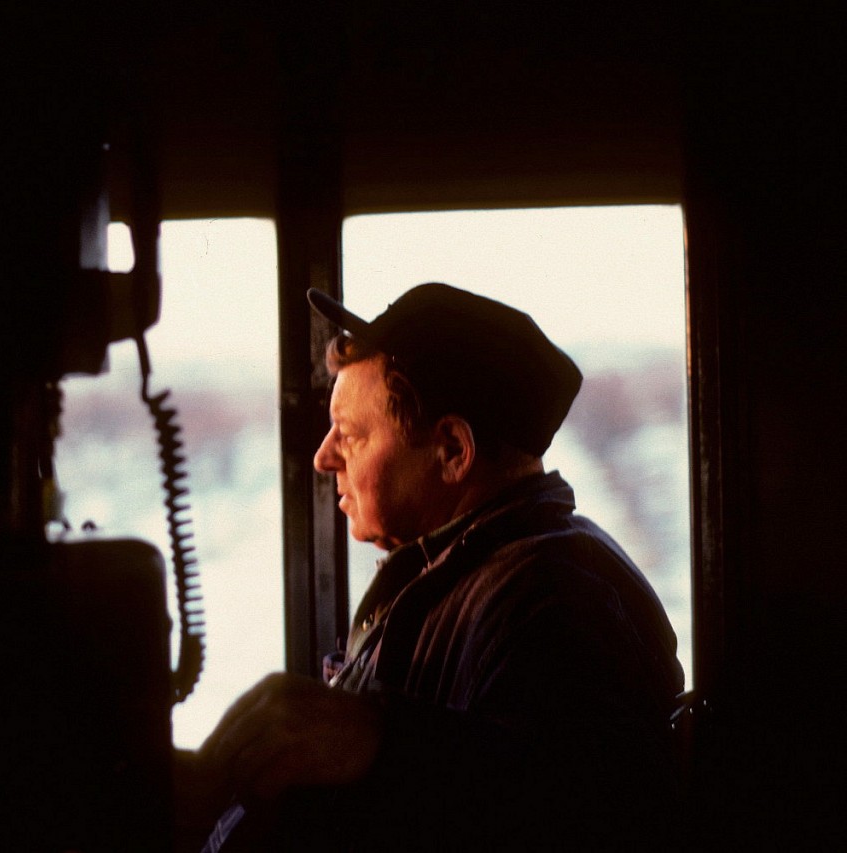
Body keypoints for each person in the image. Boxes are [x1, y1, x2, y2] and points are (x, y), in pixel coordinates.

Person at [189, 283, 685, 850]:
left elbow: (593, 816)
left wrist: (373, 741)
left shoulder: (555, 600)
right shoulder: (462, 571)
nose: (325, 456)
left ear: (451, 449)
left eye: (349, 434)